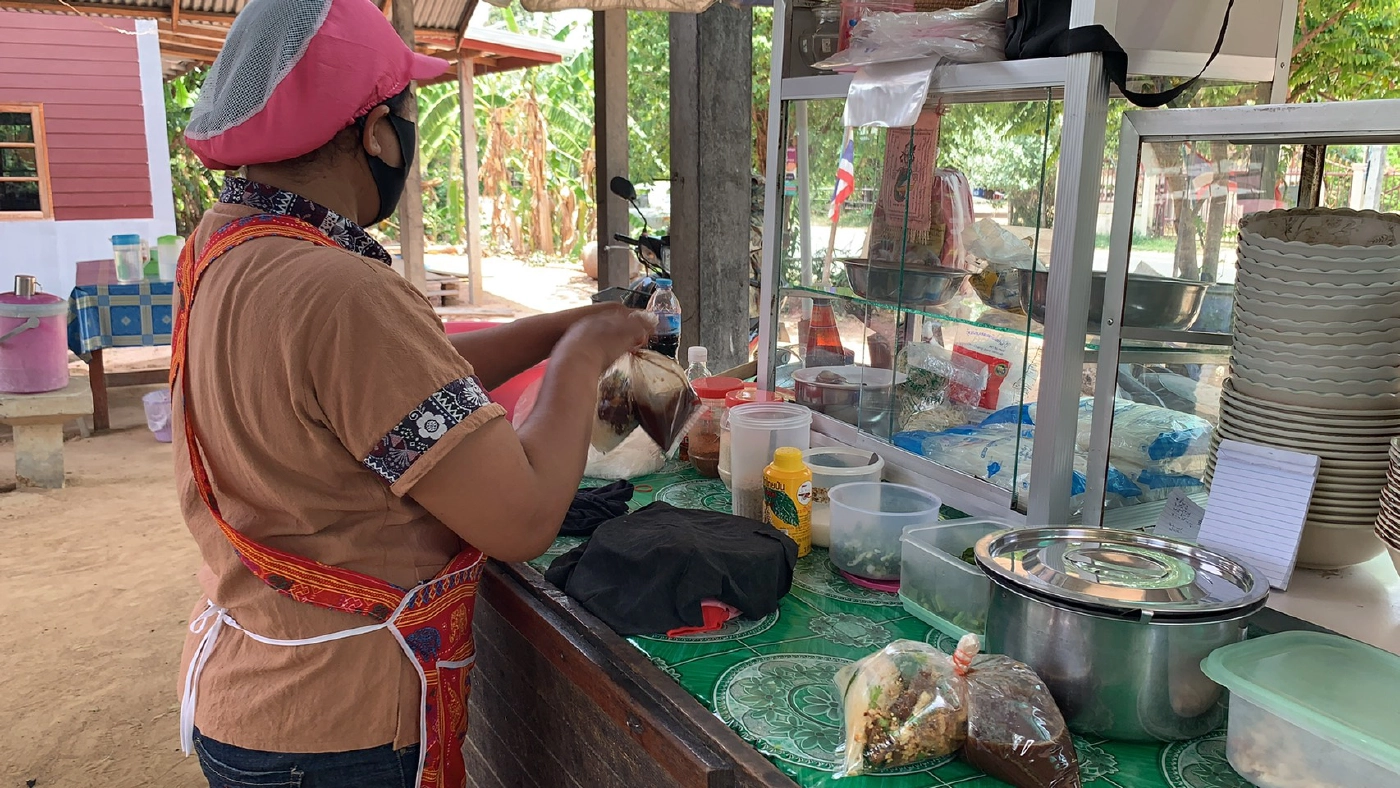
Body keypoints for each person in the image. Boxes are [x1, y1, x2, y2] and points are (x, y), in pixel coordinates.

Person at [172, 2, 654, 787]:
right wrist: (581, 357)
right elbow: (525, 517)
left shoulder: (229, 244)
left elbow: (397, 383)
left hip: (256, 692)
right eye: (407, 112)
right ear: (372, 130)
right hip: (341, 729)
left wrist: (570, 322)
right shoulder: (338, 288)